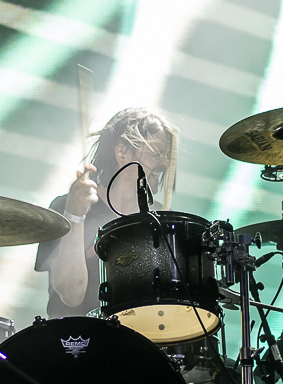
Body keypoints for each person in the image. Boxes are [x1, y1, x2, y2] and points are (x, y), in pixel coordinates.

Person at [35, 108, 179, 318]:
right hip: (76, 335)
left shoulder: (161, 220)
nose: (165, 163)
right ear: (122, 153)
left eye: (166, 155)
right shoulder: (64, 207)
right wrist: (74, 216)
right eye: (157, 153)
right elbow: (71, 295)